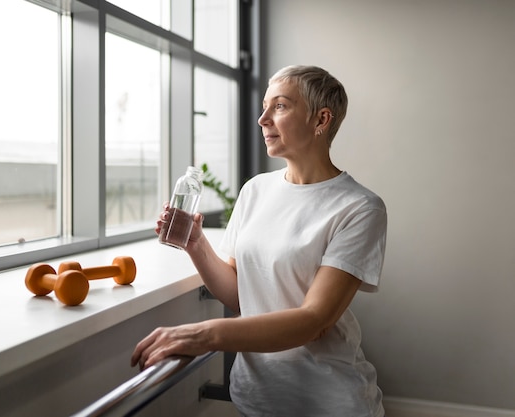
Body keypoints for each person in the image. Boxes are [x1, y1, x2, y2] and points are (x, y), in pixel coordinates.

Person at [131, 65, 387, 417]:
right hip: (256, 397)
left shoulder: (359, 207)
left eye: (279, 106)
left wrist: (203, 335)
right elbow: (242, 295)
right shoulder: (256, 190)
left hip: (326, 402)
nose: (262, 119)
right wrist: (196, 243)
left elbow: (314, 320)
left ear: (321, 119)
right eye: (265, 107)